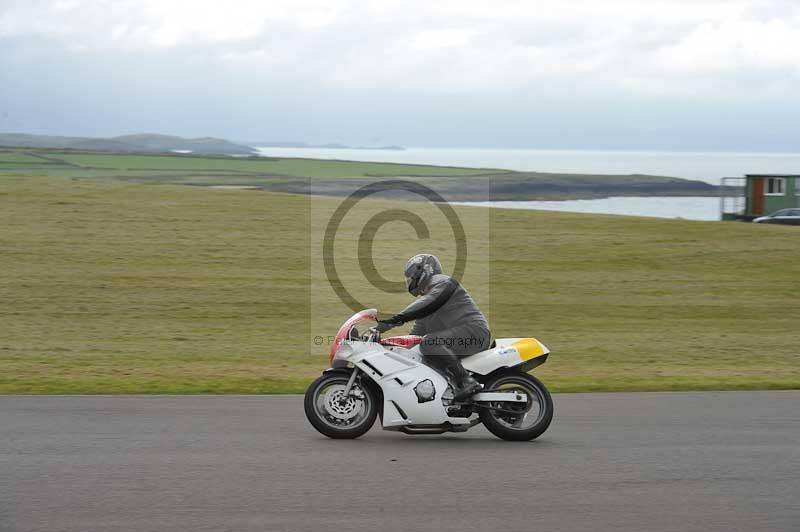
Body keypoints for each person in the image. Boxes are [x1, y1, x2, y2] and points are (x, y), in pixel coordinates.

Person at [376, 254, 490, 400]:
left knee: (429, 342)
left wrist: (393, 321)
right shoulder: (429, 300)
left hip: (474, 333)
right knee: (421, 350)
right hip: (464, 336)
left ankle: (466, 380)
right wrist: (388, 348)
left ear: (424, 271)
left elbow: (427, 303)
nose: (410, 281)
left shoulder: (443, 283)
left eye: (411, 276)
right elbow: (414, 336)